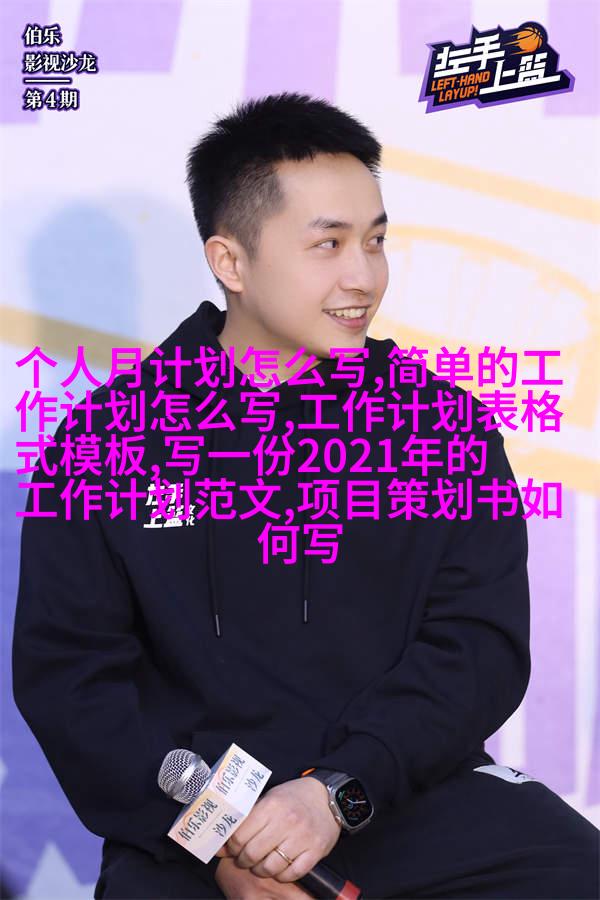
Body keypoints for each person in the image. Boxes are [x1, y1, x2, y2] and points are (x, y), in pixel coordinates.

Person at [12, 92, 598, 900]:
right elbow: (73, 676)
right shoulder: (108, 439)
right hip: (198, 827)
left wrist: (338, 792)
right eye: (329, 245)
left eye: (376, 240)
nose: (364, 276)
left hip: (402, 792)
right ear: (231, 263)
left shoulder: (444, 425)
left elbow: (478, 646)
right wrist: (226, 843)